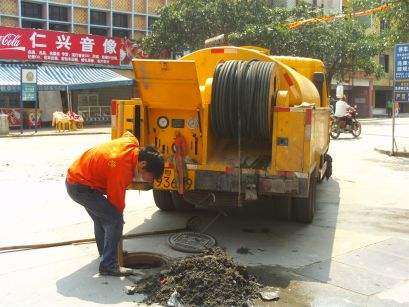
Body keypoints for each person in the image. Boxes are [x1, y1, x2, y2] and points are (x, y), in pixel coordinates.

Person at [66, 132, 164, 276]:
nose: (151, 180)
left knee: (102, 218)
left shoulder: (132, 143)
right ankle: (109, 265)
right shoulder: (121, 169)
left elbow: (128, 133)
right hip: (81, 187)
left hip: (77, 178)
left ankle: (106, 254)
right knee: (114, 220)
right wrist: (119, 219)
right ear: (143, 164)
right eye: (152, 176)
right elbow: (115, 203)